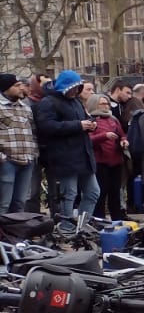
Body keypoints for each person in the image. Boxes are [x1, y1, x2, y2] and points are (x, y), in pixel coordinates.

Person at [34, 70, 99, 219]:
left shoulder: (76, 101)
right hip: (64, 156)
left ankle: (82, 225)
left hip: (84, 155)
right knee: (69, 194)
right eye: (74, 87)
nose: (76, 91)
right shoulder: (48, 102)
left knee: (93, 192)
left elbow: (86, 118)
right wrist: (78, 125)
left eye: (78, 88)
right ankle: (66, 227)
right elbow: (46, 126)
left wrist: (92, 125)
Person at [0, 72, 39, 214]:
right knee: (4, 203)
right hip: (7, 162)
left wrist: (34, 153)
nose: (21, 88)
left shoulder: (25, 107)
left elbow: (33, 132)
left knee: (20, 202)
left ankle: (15, 234)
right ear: (6, 87)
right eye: (16, 85)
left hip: (27, 161)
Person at [87, 95, 126, 219]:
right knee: (100, 193)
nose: (105, 106)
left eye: (107, 104)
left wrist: (124, 141)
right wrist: (104, 136)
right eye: (102, 104)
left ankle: (116, 219)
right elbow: (88, 140)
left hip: (116, 161)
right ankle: (99, 219)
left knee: (115, 193)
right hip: (100, 162)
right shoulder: (90, 120)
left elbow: (122, 134)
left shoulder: (113, 119)